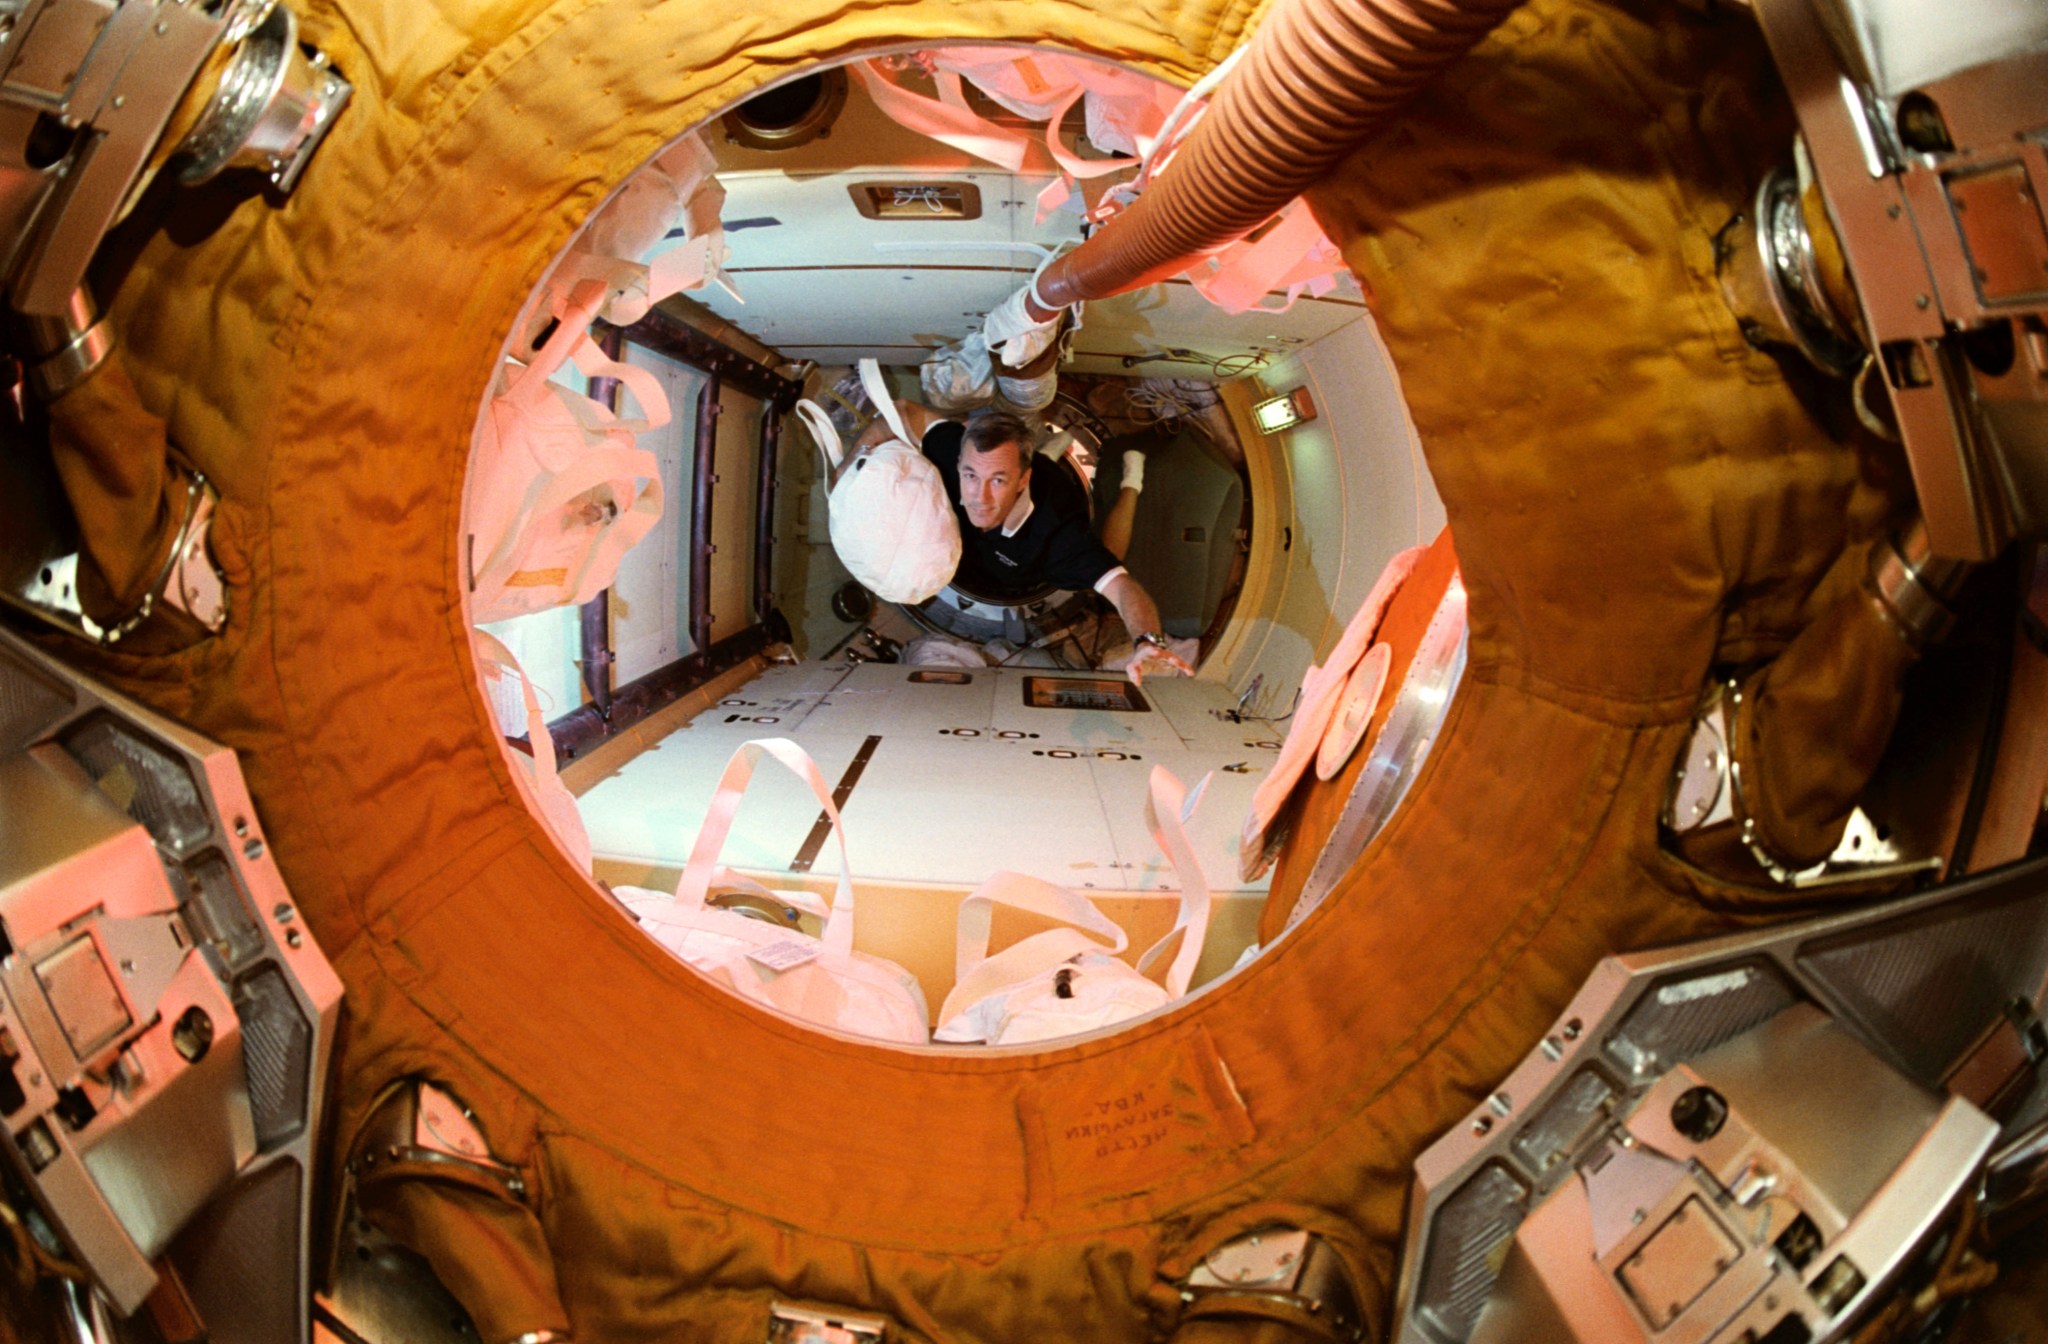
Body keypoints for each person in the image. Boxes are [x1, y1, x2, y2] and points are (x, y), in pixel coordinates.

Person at [849, 402, 1193, 684]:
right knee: (1027, 468)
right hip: (1015, 501)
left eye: (997, 480)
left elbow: (1122, 587)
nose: (979, 498)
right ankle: (1050, 452)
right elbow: (905, 411)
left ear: (1020, 480)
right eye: (970, 476)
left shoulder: (1058, 537)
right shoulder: (960, 453)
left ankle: (1132, 482)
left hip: (1039, 544)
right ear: (960, 463)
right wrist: (854, 460)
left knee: (1110, 557)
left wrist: (1148, 641)